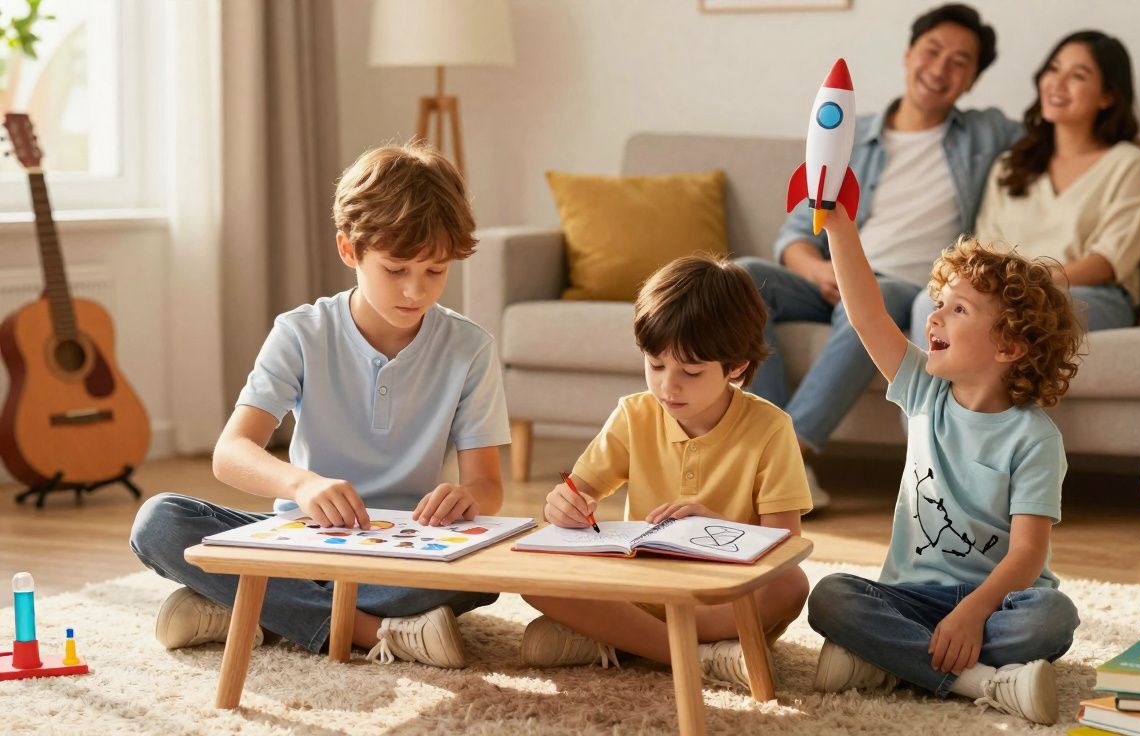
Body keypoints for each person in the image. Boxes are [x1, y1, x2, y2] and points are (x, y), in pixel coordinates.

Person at [739, 4, 1140, 507]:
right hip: (827, 277)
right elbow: (797, 230)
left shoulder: (984, 138)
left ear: (972, 80)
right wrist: (821, 268)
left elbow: (1077, 136)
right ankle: (760, 444)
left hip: (902, 283)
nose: (941, 69)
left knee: (887, 297)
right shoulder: (852, 138)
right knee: (745, 279)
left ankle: (795, 457)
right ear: (908, 54)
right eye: (932, 51)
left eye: (960, 62)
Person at [129, 143, 511, 669]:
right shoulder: (302, 333)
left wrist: (465, 498)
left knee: (488, 574)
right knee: (160, 522)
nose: (415, 290)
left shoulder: (471, 348)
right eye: (396, 269)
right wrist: (301, 484)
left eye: (436, 271)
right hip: (304, 542)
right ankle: (369, 630)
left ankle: (245, 606)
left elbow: (488, 485)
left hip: (405, 551)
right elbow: (232, 452)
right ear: (349, 250)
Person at [807, 205, 1084, 725]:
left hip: (999, 603)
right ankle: (983, 682)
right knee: (830, 597)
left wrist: (973, 612)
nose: (934, 317)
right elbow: (866, 314)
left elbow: (1027, 557)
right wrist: (841, 226)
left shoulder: (1034, 439)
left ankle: (888, 662)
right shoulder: (923, 391)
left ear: (1009, 345)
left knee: (1053, 618)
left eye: (959, 310)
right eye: (940, 303)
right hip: (910, 595)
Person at [519, 254, 812, 691]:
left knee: (792, 584)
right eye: (655, 365)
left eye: (690, 372)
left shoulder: (771, 429)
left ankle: (630, 642)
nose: (667, 387)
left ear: (736, 367)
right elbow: (574, 493)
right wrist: (562, 505)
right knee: (532, 577)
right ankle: (694, 653)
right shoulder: (634, 414)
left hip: (721, 596)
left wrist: (716, 527)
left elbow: (785, 546)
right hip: (642, 587)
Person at [912, 30, 1140, 342]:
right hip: (1008, 292)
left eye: (1078, 75)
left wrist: (1024, 287)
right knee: (926, 303)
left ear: (1107, 96)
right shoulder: (1010, 164)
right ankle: (937, 394)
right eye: (1053, 69)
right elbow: (986, 248)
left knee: (1006, 315)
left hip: (1089, 295)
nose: (1057, 82)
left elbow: (1107, 262)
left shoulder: (1128, 163)